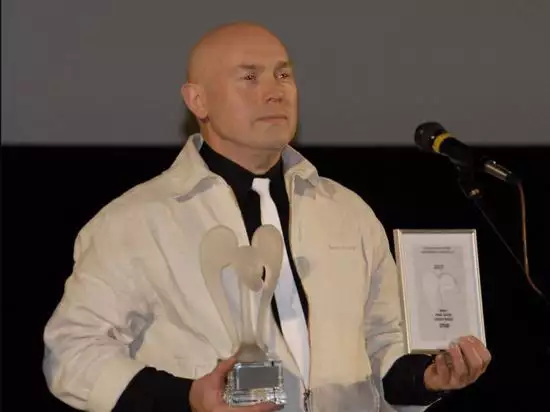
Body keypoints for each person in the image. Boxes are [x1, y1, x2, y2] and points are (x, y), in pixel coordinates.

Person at [42, 22, 491, 412]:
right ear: (198, 100)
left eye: (283, 74)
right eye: (249, 77)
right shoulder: (137, 220)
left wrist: (426, 377)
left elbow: (385, 342)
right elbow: (72, 353)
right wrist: (188, 398)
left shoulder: (345, 211)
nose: (275, 91)